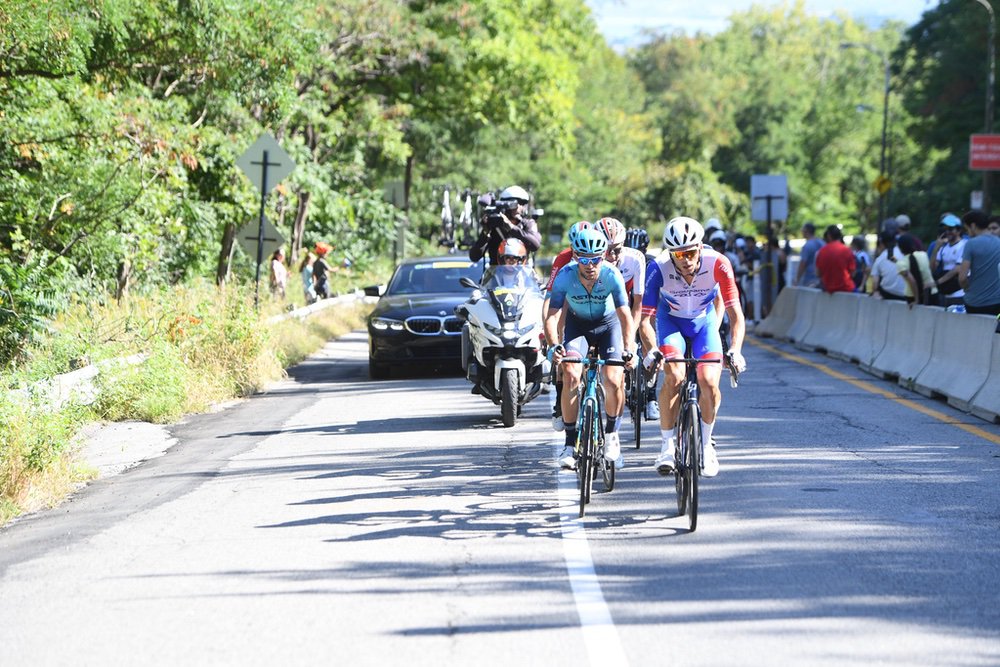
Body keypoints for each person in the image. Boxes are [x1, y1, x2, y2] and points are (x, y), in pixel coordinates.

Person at [639, 217, 747, 478]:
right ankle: (666, 446)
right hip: (671, 322)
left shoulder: (718, 262)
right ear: (670, 253)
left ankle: (707, 444)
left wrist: (735, 349)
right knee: (674, 376)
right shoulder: (659, 267)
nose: (685, 259)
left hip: (704, 323)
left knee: (709, 381)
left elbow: (736, 315)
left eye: (689, 252)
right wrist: (652, 349)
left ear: (700, 247)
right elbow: (644, 320)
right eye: (678, 254)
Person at [545, 228, 635, 471]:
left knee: (614, 378)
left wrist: (630, 348)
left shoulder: (612, 274)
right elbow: (552, 315)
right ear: (575, 256)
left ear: (603, 256)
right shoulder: (565, 276)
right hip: (578, 326)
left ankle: (612, 434)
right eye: (583, 259)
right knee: (572, 375)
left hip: (608, 326)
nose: (590, 265)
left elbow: (625, 316)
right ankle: (570, 442)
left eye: (595, 258)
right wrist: (554, 345)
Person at [468, 185, 542, 266]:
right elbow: (474, 257)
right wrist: (486, 232)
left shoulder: (527, 223)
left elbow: (535, 245)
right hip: (496, 276)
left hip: (521, 275)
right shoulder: (495, 225)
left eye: (522, 204)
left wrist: (511, 227)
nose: (520, 207)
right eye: (516, 203)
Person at [956, 210, 1000, 315]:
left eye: (967, 229)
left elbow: (962, 278)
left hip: (974, 302)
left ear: (973, 226)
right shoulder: (998, 242)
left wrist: (967, 289)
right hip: (996, 301)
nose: (967, 232)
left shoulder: (971, 244)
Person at [932, 214, 968, 307]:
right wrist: (936, 248)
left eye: (951, 229)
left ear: (959, 230)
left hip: (959, 292)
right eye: (945, 229)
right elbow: (932, 268)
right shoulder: (943, 247)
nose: (947, 232)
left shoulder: (964, 245)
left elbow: (958, 268)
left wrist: (938, 282)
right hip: (946, 293)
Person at [896, 235, 937, 306]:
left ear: (900, 248)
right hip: (931, 292)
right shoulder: (924, 254)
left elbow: (912, 281)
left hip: (912, 296)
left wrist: (917, 299)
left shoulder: (901, 263)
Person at [815, 225, 856, 294]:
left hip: (827, 290)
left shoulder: (821, 252)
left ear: (828, 236)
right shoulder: (847, 250)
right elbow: (853, 273)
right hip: (846, 289)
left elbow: (818, 273)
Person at [870, 231, 908, 301]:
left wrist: (874, 291)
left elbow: (875, 284)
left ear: (881, 243)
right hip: (905, 295)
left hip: (888, 294)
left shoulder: (880, 259)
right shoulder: (904, 254)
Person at [794, 222, 824, 288]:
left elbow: (803, 263)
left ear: (806, 231)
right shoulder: (822, 243)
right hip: (822, 279)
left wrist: (797, 278)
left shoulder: (807, 245)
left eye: (802, 230)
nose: (801, 232)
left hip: (810, 279)